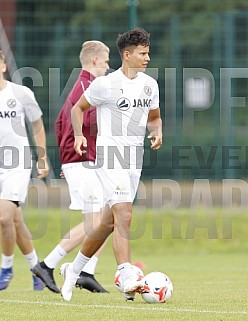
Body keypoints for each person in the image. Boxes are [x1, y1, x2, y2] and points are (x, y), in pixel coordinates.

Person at [60, 27, 162, 301]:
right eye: (142, 53)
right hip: (109, 157)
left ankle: (74, 269)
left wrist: (157, 131)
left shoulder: (150, 85)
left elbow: (154, 116)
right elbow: (77, 109)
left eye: (148, 53)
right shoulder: (105, 84)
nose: (147, 58)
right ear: (126, 55)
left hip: (133, 159)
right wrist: (80, 135)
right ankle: (126, 273)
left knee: (107, 222)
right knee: (125, 214)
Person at [32, 40, 110, 293]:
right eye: (107, 61)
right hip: (82, 161)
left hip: (83, 160)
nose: (109, 66)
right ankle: (47, 264)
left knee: (107, 216)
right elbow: (86, 120)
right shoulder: (88, 86)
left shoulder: (82, 85)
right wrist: (71, 157)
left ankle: (86, 271)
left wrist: (66, 155)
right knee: (95, 223)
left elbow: (58, 123)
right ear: (95, 60)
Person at [0, 49, 58, 293]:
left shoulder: (21, 93)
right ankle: (37, 269)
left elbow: (36, 125)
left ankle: (6, 267)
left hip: (17, 164)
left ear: (3, 65)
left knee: (3, 216)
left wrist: (42, 158)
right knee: (14, 219)